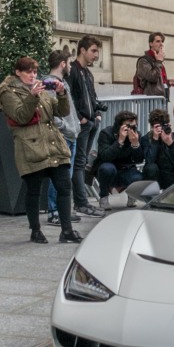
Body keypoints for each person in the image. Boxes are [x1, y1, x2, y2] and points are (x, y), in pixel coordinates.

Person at [0, 56, 80, 244]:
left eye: (34, 72)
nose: (32, 75)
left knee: (64, 186)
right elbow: (21, 116)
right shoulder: (7, 92)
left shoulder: (40, 88)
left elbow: (61, 111)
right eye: (28, 72)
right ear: (18, 72)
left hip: (53, 144)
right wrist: (32, 97)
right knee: (33, 190)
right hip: (30, 146)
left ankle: (67, 230)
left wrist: (61, 93)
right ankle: (35, 230)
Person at [67, 36, 107, 216]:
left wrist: (97, 115)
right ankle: (81, 202)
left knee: (82, 163)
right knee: (79, 163)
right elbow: (70, 98)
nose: (96, 55)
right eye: (93, 50)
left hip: (90, 123)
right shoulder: (73, 71)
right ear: (82, 50)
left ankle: (82, 202)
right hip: (82, 124)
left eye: (97, 51)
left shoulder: (87, 73)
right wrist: (80, 118)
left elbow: (92, 97)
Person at [43, 50, 81, 227]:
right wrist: (66, 127)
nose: (71, 66)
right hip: (62, 136)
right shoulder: (49, 84)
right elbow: (51, 113)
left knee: (67, 177)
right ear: (63, 64)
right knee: (58, 176)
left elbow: (69, 109)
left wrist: (75, 127)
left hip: (71, 134)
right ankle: (54, 211)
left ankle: (64, 210)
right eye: (70, 63)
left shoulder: (63, 82)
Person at [93, 110, 147, 210]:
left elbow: (139, 160)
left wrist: (135, 144)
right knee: (107, 168)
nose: (131, 129)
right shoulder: (106, 133)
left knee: (138, 177)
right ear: (119, 126)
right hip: (108, 167)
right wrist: (120, 141)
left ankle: (132, 196)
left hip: (126, 168)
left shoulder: (136, 135)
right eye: (128, 126)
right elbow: (105, 156)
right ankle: (104, 197)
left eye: (134, 126)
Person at [141, 107, 174, 189]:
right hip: (154, 175)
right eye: (158, 126)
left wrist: (170, 143)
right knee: (151, 168)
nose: (162, 129)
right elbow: (149, 161)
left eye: (164, 126)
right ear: (152, 127)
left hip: (171, 173)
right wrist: (155, 140)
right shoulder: (146, 139)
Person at [133, 31, 170, 99]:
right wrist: (159, 62)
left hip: (162, 98)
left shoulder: (158, 60)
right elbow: (152, 77)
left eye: (162, 41)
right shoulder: (144, 60)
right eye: (158, 41)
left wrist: (168, 82)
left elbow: (158, 80)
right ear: (151, 43)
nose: (161, 44)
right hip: (150, 100)